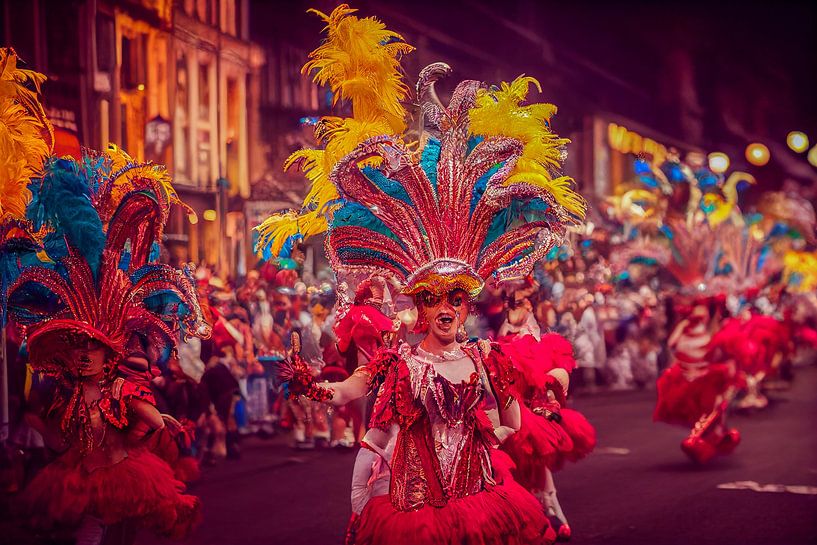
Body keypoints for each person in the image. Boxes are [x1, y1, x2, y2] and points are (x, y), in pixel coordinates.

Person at [258, 6, 588, 543]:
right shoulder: (399, 358)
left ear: (467, 304)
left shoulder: (486, 356)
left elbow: (512, 422)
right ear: (420, 304)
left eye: (456, 298)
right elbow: (348, 394)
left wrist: (498, 428)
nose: (446, 308)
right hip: (416, 505)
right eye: (435, 298)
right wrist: (311, 387)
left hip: (477, 494)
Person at [3, 145, 211, 544]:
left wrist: (160, 421)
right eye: (78, 349)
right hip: (78, 475)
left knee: (114, 528)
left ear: (108, 355)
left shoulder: (119, 388)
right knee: (90, 529)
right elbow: (42, 421)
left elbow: (142, 406)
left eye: (91, 350)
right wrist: (48, 439)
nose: (83, 357)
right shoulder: (64, 392)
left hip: (121, 471)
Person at [654, 298, 740, 464]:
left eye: (703, 311)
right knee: (695, 413)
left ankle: (708, 439)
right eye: (696, 310)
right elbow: (671, 343)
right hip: (687, 377)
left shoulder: (715, 330)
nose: (699, 314)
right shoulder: (684, 326)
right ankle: (701, 440)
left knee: (714, 409)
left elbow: (723, 353)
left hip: (707, 377)